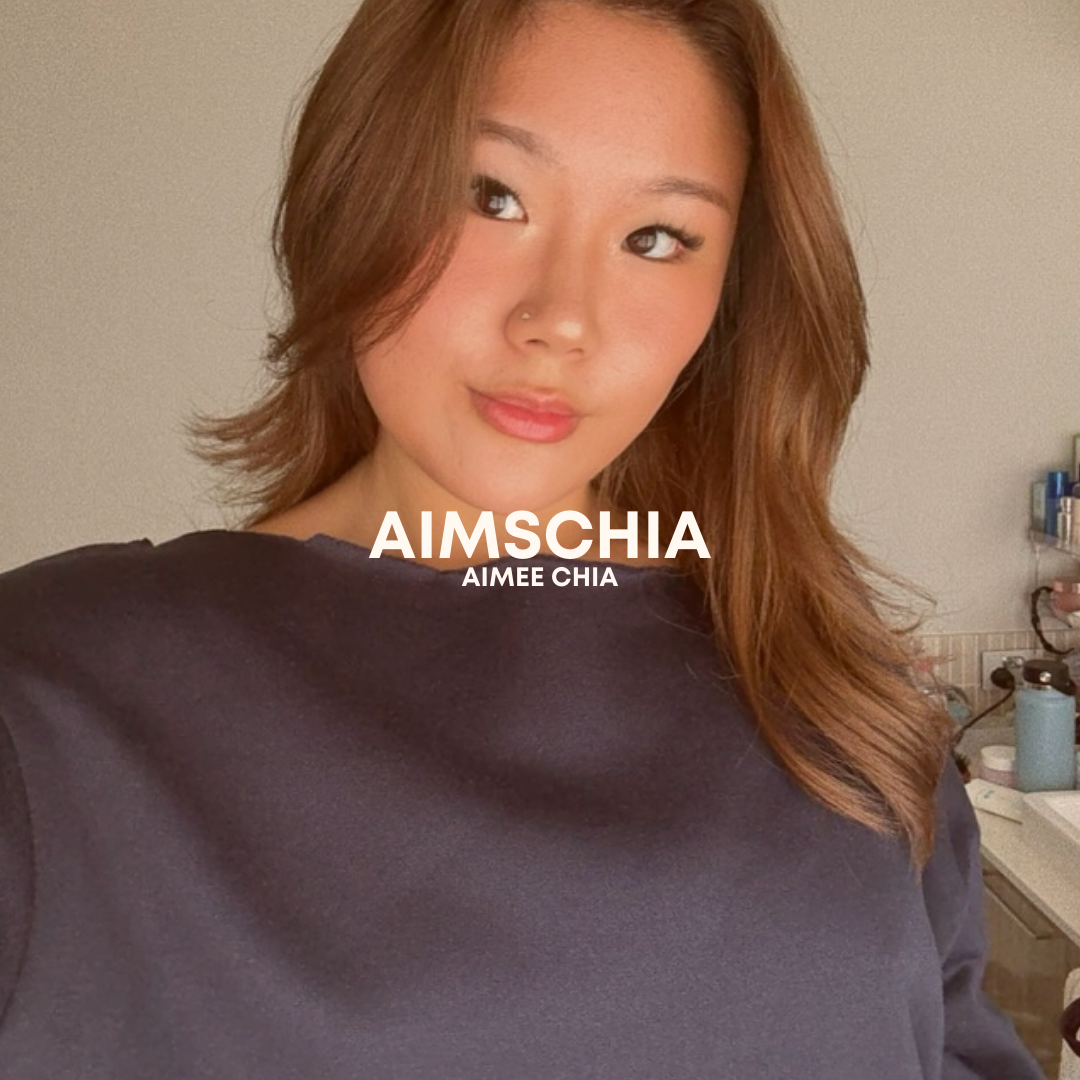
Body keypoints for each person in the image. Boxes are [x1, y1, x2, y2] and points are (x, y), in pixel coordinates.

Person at [0, 1, 1043, 1077]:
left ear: (727, 296)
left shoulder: (836, 693)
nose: (560, 318)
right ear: (353, 189)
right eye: (492, 197)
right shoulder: (52, 701)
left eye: (656, 238)